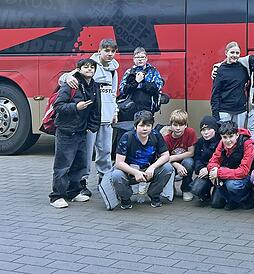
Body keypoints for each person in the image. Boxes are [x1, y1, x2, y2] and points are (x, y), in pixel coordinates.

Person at [61, 38, 120, 197]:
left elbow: (113, 93)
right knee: (86, 153)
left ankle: (104, 180)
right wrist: (67, 77)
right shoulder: (89, 65)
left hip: (107, 117)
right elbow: (64, 78)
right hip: (90, 118)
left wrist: (114, 112)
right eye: (106, 50)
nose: (109, 54)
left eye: (112, 51)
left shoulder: (114, 70)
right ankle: (81, 182)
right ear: (99, 50)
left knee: (106, 151)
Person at [49, 58, 101, 208]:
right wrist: (75, 107)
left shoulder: (94, 86)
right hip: (66, 130)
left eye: (92, 67)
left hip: (81, 131)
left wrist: (92, 126)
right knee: (63, 165)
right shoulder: (70, 84)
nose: (89, 69)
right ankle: (56, 196)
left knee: (79, 164)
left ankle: (74, 191)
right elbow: (58, 106)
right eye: (86, 67)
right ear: (79, 69)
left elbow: (97, 107)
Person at [107, 111, 174, 209]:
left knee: (168, 167)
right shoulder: (127, 137)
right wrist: (135, 172)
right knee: (116, 175)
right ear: (135, 126)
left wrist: (152, 167)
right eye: (142, 125)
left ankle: (154, 195)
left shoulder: (156, 135)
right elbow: (119, 163)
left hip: (148, 171)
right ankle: (125, 198)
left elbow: (166, 155)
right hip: (130, 171)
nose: (145, 129)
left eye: (148, 125)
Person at [206, 121, 254, 210]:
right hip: (228, 173)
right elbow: (213, 160)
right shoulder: (222, 143)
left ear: (237, 135)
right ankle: (232, 199)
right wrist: (213, 169)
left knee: (232, 185)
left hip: (246, 176)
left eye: (231, 136)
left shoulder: (248, 144)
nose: (228, 140)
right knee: (216, 204)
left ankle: (247, 196)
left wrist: (218, 172)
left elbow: (244, 171)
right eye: (224, 137)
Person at [118, 47, 164, 122]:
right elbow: (122, 90)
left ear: (146, 58)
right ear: (133, 59)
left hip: (148, 108)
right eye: (137, 57)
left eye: (142, 57)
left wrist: (141, 84)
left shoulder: (153, 71)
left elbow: (158, 86)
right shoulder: (129, 72)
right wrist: (135, 82)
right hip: (130, 108)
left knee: (146, 129)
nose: (140, 59)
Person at [211, 41, 249, 128]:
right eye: (232, 52)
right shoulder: (220, 70)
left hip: (240, 111)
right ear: (226, 52)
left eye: (237, 53)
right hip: (224, 111)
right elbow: (215, 94)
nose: (234, 55)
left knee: (239, 136)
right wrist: (216, 116)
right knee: (226, 138)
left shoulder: (243, 68)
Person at [163, 109, 196, 201]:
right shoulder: (166, 139)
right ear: (171, 125)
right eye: (175, 125)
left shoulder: (190, 132)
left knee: (189, 162)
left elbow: (191, 152)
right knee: (166, 166)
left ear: (185, 125)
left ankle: (186, 189)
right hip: (171, 163)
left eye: (181, 125)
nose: (178, 128)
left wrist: (173, 157)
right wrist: (176, 165)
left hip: (184, 161)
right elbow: (164, 158)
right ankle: (171, 185)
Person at [190, 116, 221, 205]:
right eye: (203, 130)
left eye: (209, 129)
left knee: (217, 203)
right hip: (205, 171)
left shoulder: (222, 141)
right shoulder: (200, 142)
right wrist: (200, 168)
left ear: (215, 129)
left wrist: (209, 170)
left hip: (219, 173)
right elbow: (197, 158)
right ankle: (205, 194)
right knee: (196, 189)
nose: (206, 133)